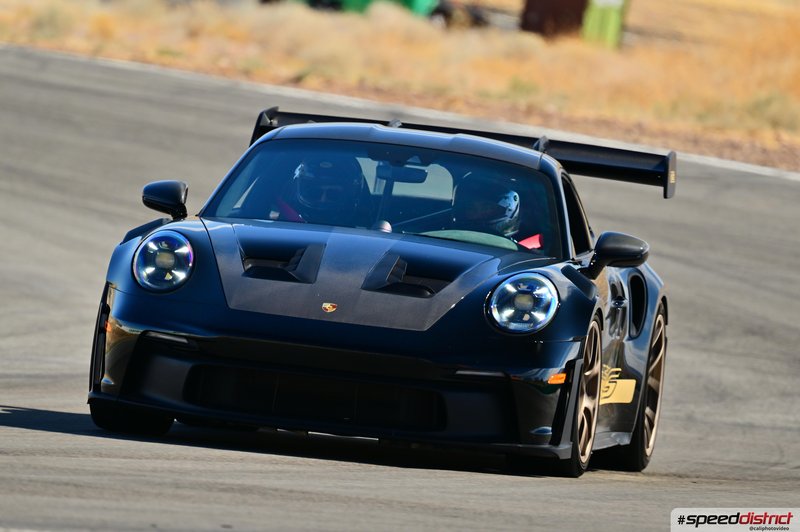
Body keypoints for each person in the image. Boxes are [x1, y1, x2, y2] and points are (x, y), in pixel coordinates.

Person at [271, 154, 367, 226]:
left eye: (334, 194)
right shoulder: (277, 228)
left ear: (351, 195)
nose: (323, 199)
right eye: (313, 193)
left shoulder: (369, 235)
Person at [452, 175, 521, 238]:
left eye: (487, 207)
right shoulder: (447, 236)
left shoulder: (521, 249)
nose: (477, 214)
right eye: (471, 208)